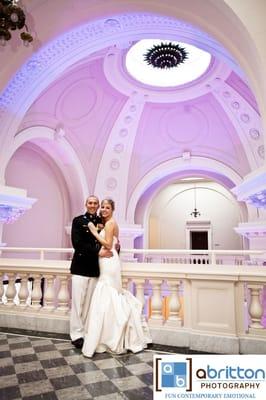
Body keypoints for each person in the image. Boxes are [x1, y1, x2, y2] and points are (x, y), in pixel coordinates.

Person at [82, 198, 152, 357]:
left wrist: (93, 232)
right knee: (108, 295)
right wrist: (99, 229)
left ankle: (110, 335)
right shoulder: (108, 224)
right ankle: (108, 333)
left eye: (107, 207)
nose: (104, 210)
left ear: (112, 210)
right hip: (109, 260)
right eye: (103, 207)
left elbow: (107, 245)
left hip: (109, 262)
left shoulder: (110, 223)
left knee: (108, 292)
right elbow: (115, 243)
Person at [70, 195, 113, 348]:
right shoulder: (78, 221)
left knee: (89, 304)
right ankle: (76, 335)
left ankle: (86, 332)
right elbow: (78, 244)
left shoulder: (102, 222)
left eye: (96, 203)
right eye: (90, 203)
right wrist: (97, 252)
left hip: (95, 269)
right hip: (80, 267)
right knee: (77, 303)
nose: (93, 205)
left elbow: (108, 240)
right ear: (86, 204)